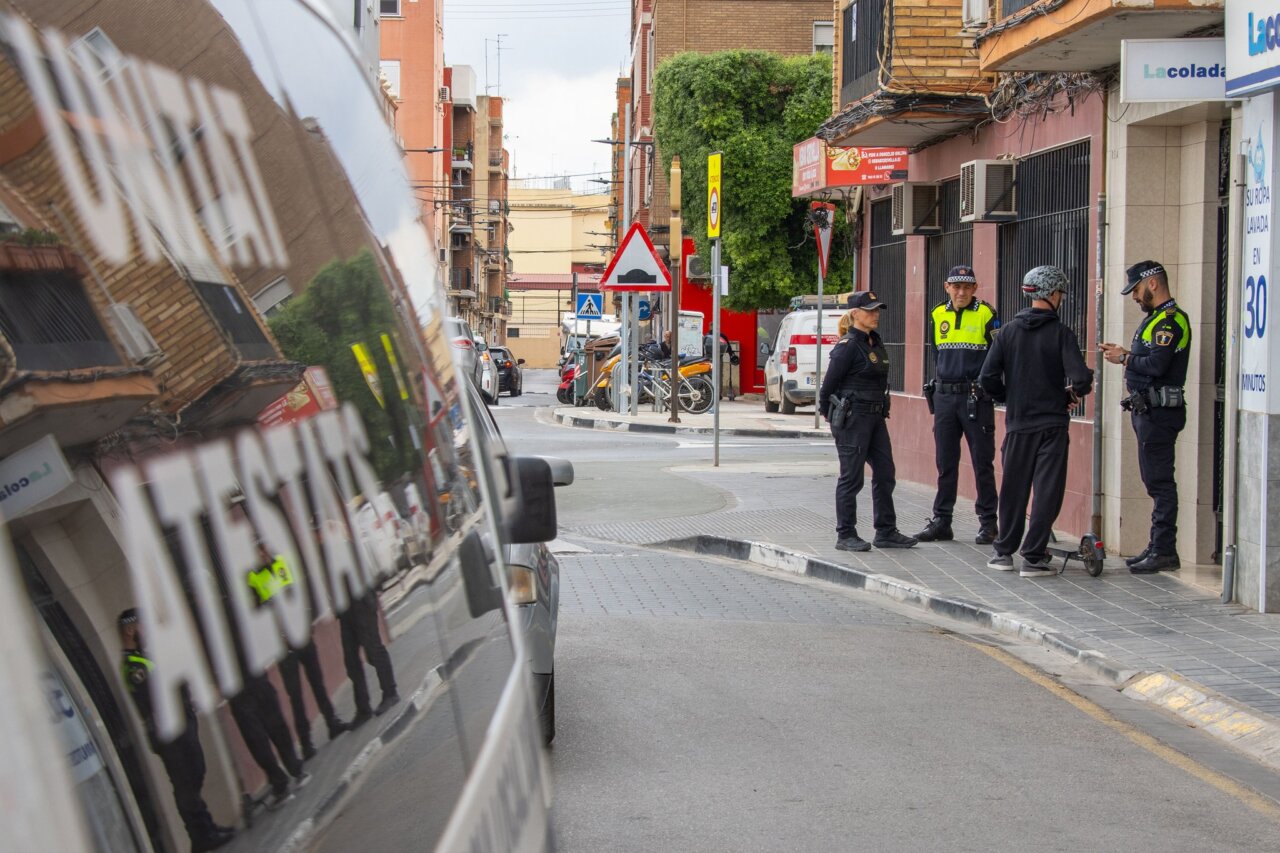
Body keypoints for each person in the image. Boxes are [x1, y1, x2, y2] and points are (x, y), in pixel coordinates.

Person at [979, 265, 1093, 577]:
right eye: (1061, 294)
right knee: (1047, 491)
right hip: (1052, 426)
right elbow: (1082, 378)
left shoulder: (1007, 333)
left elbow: (987, 378)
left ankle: (1003, 553)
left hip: (1018, 424)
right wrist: (1071, 394)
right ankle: (1033, 557)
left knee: (1013, 489)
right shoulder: (1061, 333)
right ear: (1053, 294)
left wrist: (1010, 396)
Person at [118, 609, 235, 852]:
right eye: (142, 626)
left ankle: (206, 828)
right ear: (130, 630)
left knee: (195, 773)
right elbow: (154, 696)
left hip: (180, 721)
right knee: (185, 783)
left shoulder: (146, 655)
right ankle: (201, 836)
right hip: (167, 732)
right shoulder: (133, 666)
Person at [1101, 260, 1191, 574]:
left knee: (1161, 483)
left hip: (1159, 413)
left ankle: (1164, 550)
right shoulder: (1154, 319)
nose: (1135, 297)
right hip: (1147, 411)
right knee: (1153, 481)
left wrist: (1124, 358)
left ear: (1152, 283)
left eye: (1136, 290)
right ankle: (1157, 545)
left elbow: (1157, 366)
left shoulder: (1170, 320)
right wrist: (1124, 353)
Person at [818, 290, 918, 552]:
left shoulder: (875, 342)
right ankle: (845, 534)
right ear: (855, 313)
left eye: (877, 310)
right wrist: (833, 417)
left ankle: (886, 531)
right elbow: (827, 389)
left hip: (875, 417)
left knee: (885, 473)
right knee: (852, 478)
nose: (875, 315)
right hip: (853, 419)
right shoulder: (848, 346)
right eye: (870, 310)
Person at [916, 265, 1000, 545]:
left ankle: (988, 523)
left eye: (966, 287)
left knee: (982, 462)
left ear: (975, 288)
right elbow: (936, 354)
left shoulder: (987, 314)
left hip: (975, 397)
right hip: (944, 398)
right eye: (956, 286)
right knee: (945, 462)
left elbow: (997, 356)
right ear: (947, 287)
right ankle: (942, 521)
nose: (961, 292)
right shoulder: (937, 314)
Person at [250, 548, 349, 760]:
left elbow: (298, 593)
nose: (262, 553)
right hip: (283, 645)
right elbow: (259, 616)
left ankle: (332, 722)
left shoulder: (281, 564)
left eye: (263, 548)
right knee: (295, 695)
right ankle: (306, 743)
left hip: (301, 635)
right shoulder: (254, 578)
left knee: (318, 683)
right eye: (258, 550)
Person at [340, 588, 400, 726]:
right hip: (345, 608)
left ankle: (390, 693)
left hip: (361, 600)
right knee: (351, 661)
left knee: (374, 650)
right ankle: (363, 709)